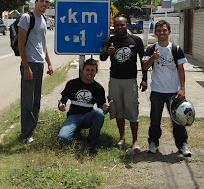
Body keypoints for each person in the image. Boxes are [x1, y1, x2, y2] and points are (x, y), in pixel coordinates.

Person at [142, 20, 192, 157]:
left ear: (169, 32)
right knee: (155, 121)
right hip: (157, 91)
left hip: (174, 92)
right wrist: (153, 58)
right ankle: (153, 142)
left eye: (164, 30)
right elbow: (145, 67)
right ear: (155, 32)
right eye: (159, 30)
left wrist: (182, 89)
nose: (162, 33)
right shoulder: (151, 49)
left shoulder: (176, 49)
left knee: (178, 120)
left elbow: (181, 70)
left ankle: (182, 144)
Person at [99, 15, 147, 152]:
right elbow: (102, 58)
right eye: (117, 25)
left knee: (132, 110)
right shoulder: (110, 41)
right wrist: (108, 53)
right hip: (114, 80)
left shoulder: (136, 40)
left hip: (131, 80)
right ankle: (122, 137)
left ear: (128, 25)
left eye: (122, 25)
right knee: (118, 109)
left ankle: (135, 140)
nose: (119, 27)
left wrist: (144, 79)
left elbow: (143, 61)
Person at [18, 0, 54, 143]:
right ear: (36, 1)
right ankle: (25, 135)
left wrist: (49, 62)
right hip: (30, 64)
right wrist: (26, 67)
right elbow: (21, 43)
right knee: (27, 100)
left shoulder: (44, 19)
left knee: (36, 100)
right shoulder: (27, 18)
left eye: (47, 2)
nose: (44, 4)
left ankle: (31, 129)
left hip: (39, 63)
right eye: (42, 1)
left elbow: (43, 44)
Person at [57, 58, 112, 154]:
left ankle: (92, 142)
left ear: (96, 71)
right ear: (83, 70)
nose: (90, 73)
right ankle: (76, 135)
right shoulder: (72, 84)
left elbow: (101, 108)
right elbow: (63, 101)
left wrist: (105, 109)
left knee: (99, 113)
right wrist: (61, 106)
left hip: (88, 117)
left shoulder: (98, 88)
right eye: (87, 70)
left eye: (92, 70)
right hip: (73, 117)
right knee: (63, 138)